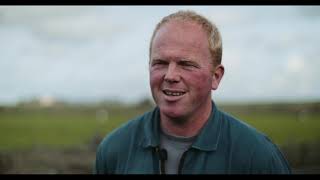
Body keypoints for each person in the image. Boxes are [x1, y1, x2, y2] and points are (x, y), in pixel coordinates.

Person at [94, 10, 291, 174]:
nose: (170, 75)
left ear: (216, 76)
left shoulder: (257, 156)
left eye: (186, 64)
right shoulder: (114, 150)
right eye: (160, 63)